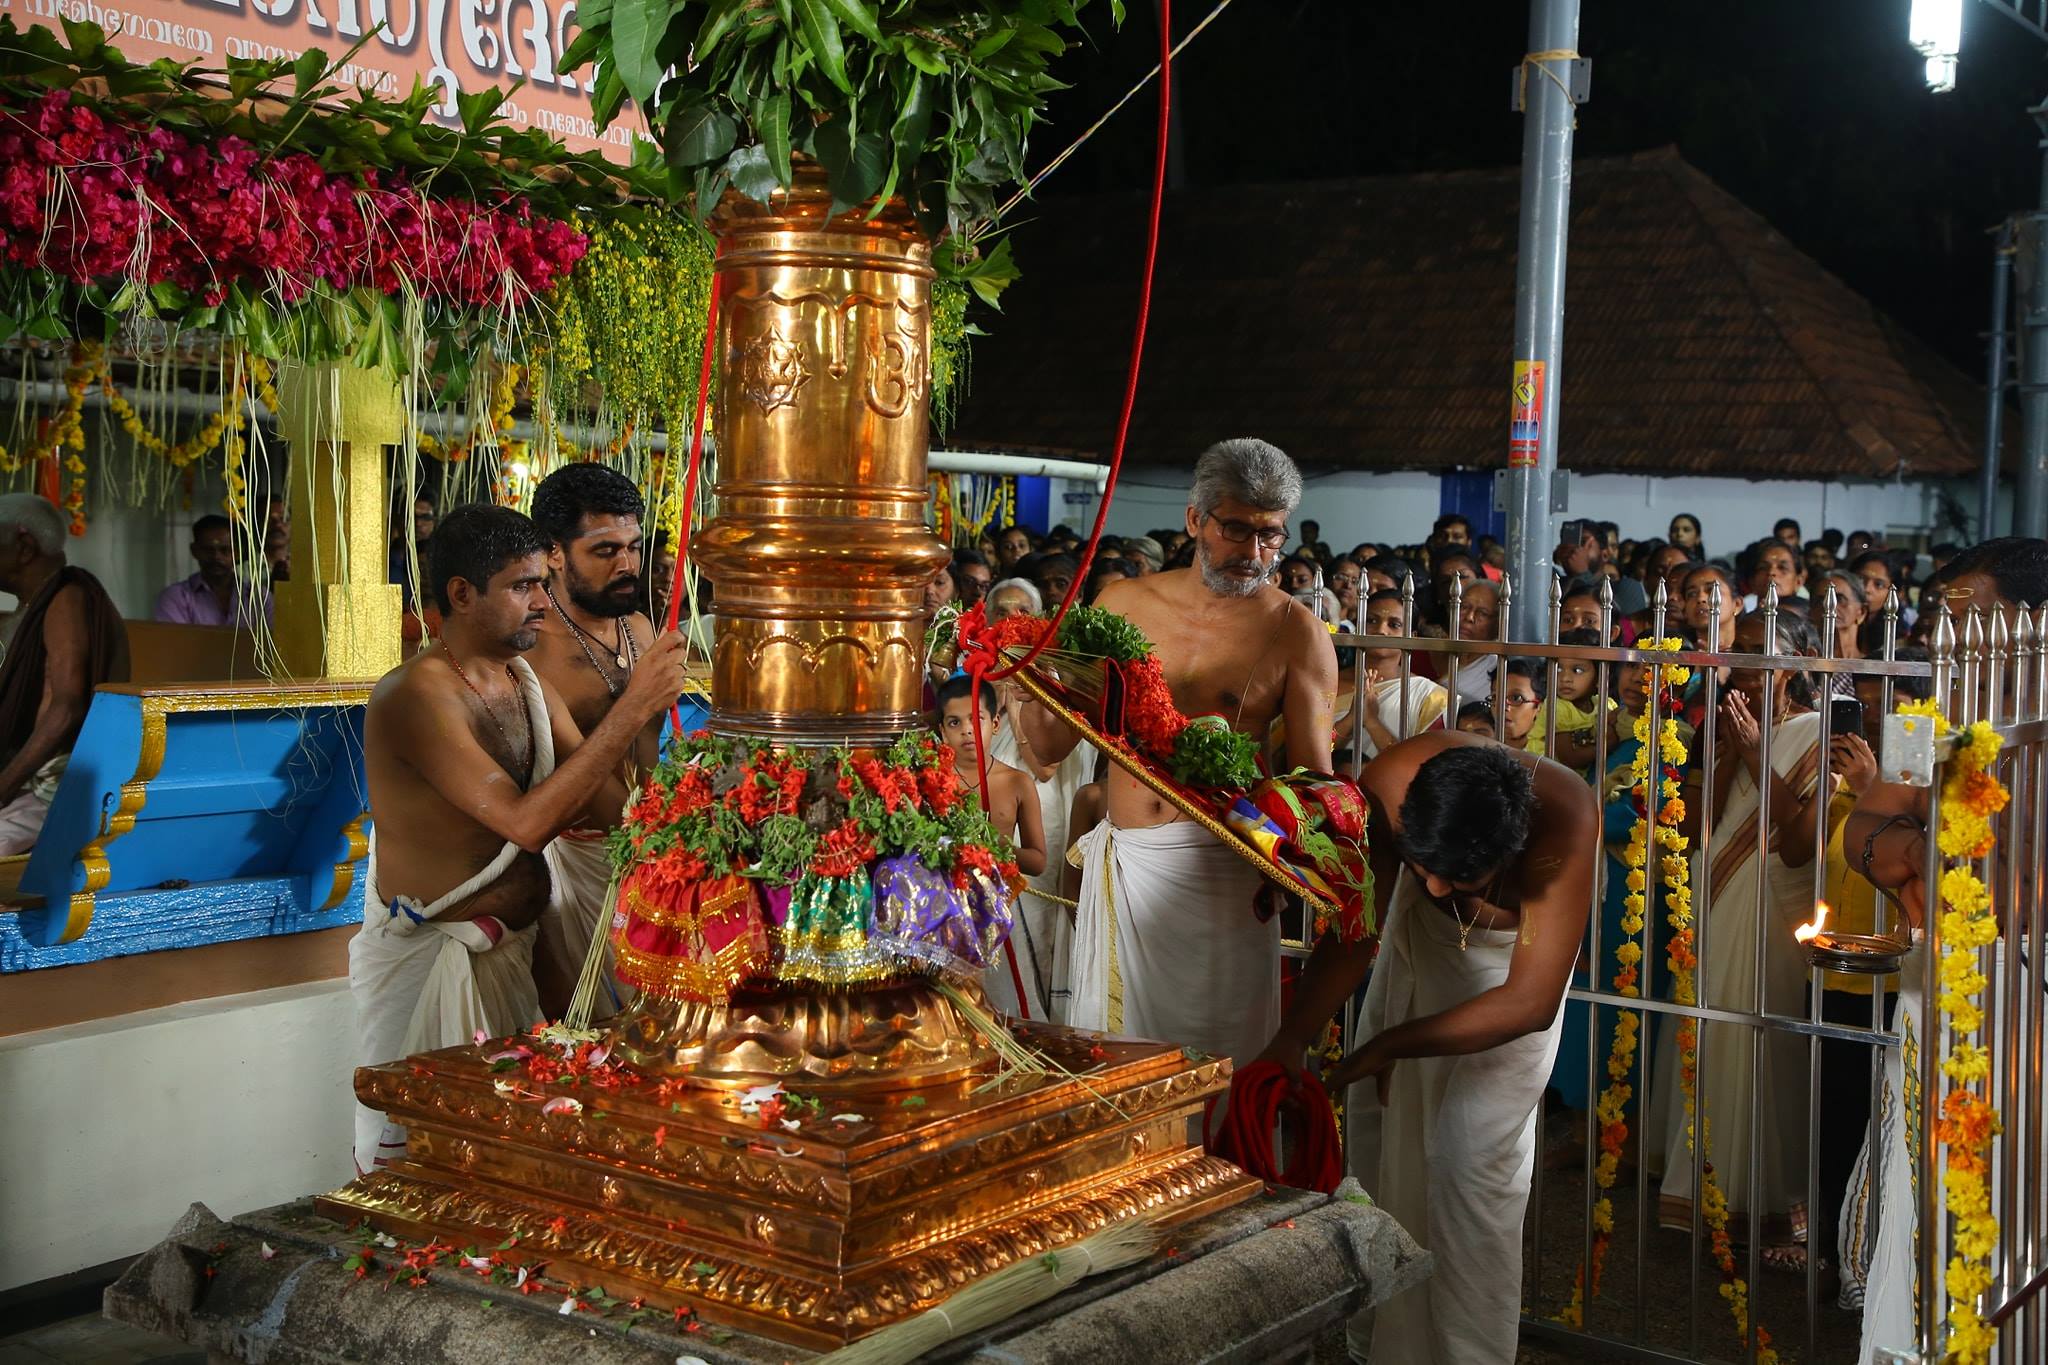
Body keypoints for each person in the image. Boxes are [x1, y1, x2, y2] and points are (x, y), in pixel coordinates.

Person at [350, 504, 688, 1173]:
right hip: (438, 965)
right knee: (431, 1179)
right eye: (523, 586)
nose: (543, 602)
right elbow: (527, 821)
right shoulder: (416, 694)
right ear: (461, 594)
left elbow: (609, 803)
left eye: (542, 582)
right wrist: (634, 707)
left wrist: (696, 834)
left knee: (526, 1167)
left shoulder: (521, 680)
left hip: (523, 953)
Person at [1021, 438, 1337, 1071]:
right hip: (1132, 860)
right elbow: (1049, 746)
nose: (1253, 554)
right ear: (1196, 520)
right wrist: (1032, 670)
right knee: (1122, 1060)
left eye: (1269, 536)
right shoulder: (1124, 605)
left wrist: (1286, 856)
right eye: (1237, 530)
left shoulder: (1295, 630)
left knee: (1219, 1058)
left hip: (1226, 870)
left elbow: (1314, 783)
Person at [1289, 735, 1595, 1365]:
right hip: (1420, 950)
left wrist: (1388, 1045)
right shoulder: (1390, 782)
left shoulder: (1566, 818)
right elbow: (1357, 932)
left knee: (1469, 1165)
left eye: (1455, 876)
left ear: (1513, 848)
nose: (1430, 885)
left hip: (1511, 979)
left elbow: (1528, 1005)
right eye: (1417, 863)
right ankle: (1387, 1346)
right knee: (1382, 1142)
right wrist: (1288, 1044)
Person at [1651, 610, 1825, 1263]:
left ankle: (1768, 1199)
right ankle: (1702, 1187)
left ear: (1799, 659)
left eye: (1761, 654)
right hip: (1716, 890)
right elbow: (1699, 826)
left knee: (1761, 1037)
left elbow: (1801, 847)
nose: (1746, 668)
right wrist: (1725, 750)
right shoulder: (1712, 726)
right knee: (1712, 1027)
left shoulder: (1816, 730)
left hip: (1773, 906)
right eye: (1739, 653)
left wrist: (1757, 749)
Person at [524, 464, 665, 1019]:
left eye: (633, 546)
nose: (628, 565)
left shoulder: (639, 627)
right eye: (605, 551)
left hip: (651, 860)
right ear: (554, 552)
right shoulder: (533, 651)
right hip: (578, 861)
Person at [0, 495, 129, 854]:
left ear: (24, 547)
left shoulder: (67, 597)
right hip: (27, 784)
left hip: (55, 789)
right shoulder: (30, 607)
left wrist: (4, 786)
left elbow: (67, 708)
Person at [937, 675, 1053, 1015]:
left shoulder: (1017, 782)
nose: (967, 731)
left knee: (1001, 1007)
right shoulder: (932, 779)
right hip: (945, 911)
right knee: (950, 1009)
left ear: (996, 723)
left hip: (997, 910)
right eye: (954, 723)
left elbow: (1037, 860)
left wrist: (989, 847)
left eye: (977, 719)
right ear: (942, 731)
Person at [1336, 588, 1447, 761]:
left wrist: (1372, 722)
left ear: (1412, 637)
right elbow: (1305, 754)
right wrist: (1351, 719)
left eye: (1394, 624)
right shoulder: (1328, 683)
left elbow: (1422, 766)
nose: (1381, 630)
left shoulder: (1430, 697)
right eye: (1371, 620)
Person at [153, 514, 270, 628]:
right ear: (194, 551)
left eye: (224, 550)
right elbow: (174, 644)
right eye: (208, 550)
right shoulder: (176, 597)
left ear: (237, 552)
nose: (216, 557)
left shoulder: (259, 597)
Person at [1527, 628, 1614, 774]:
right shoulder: (1557, 707)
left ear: (1600, 678)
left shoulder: (1604, 704)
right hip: (1542, 777)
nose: (1565, 678)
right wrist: (1607, 745)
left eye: (1577, 671)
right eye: (1559, 669)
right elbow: (1570, 758)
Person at [1497, 657, 1544, 748]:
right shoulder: (1481, 742)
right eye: (1495, 697)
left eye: (1516, 698)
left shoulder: (1548, 753)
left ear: (1539, 707)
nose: (1502, 706)